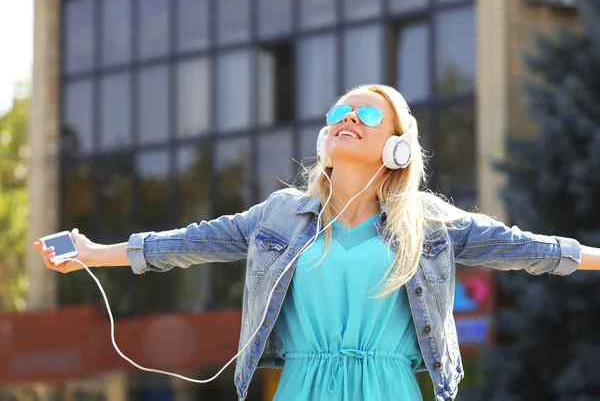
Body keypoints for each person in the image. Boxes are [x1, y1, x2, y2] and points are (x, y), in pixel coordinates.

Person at [34, 84, 600, 401]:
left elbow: (531, 248)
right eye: (339, 112)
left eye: (368, 112)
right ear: (325, 136)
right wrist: (94, 253)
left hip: (389, 388)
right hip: (302, 384)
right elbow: (189, 241)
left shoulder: (428, 222)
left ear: (398, 147)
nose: (348, 116)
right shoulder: (277, 216)